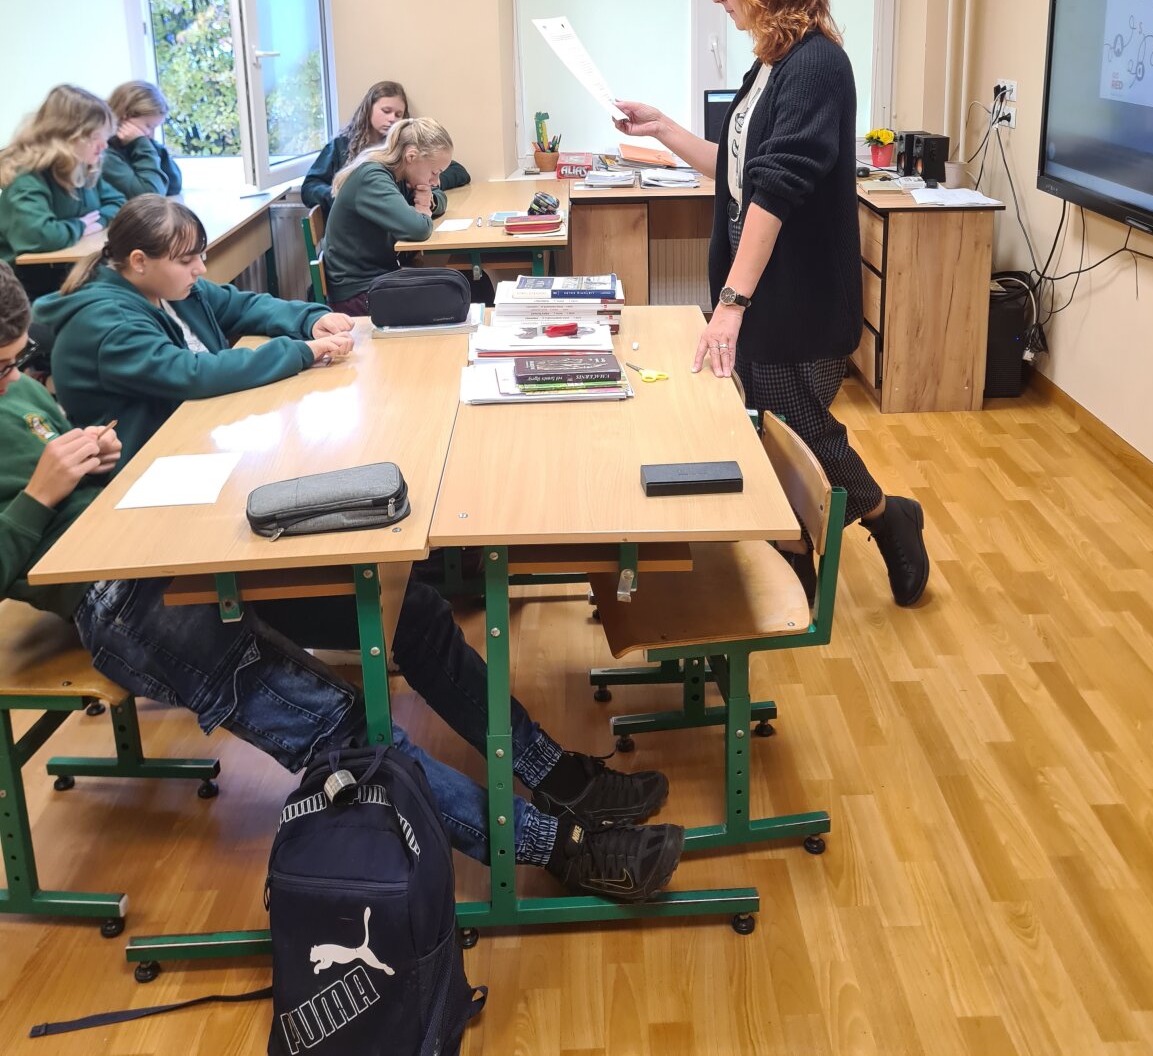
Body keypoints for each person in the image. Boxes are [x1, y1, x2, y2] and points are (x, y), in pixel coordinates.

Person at [0, 258, 684, 902]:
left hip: (163, 544)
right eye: (4, 365)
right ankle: (555, 848)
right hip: (118, 601)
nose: (16, 378)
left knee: (411, 612)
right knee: (343, 728)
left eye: (16, 362)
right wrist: (38, 496)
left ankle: (550, 772)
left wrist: (95, 455)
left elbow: (58, 464)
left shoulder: (18, 390)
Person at [615, 0, 930, 607]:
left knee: (802, 432)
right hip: (759, 295)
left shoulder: (817, 66)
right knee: (768, 426)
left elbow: (777, 190)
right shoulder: (769, 66)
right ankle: (795, 550)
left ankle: (886, 516)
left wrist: (731, 305)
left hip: (798, 299)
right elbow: (740, 172)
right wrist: (664, 129)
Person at [33, 194, 356, 468]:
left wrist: (308, 320)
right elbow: (191, 373)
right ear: (139, 261)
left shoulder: (169, 288)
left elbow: (242, 305)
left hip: (194, 429)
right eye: (186, 260)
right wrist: (300, 351)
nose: (200, 269)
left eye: (200, 256)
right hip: (145, 462)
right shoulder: (106, 323)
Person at [0, 85, 124, 296]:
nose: (104, 145)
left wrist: (96, 223)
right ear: (69, 136)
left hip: (72, 273)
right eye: (96, 137)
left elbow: (118, 202)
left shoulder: (82, 167)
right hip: (26, 289)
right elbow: (39, 236)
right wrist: (80, 226)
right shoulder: (25, 176)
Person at [323, 117, 454, 316]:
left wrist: (429, 199)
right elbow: (418, 229)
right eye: (434, 172)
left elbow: (440, 197)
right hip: (358, 294)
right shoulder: (373, 178)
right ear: (411, 156)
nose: (436, 181)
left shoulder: (400, 175)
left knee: (471, 285)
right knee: (456, 293)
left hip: (377, 280)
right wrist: (422, 208)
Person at [301, 80, 470, 216]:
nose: (392, 119)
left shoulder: (402, 149)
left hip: (396, 228)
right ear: (368, 109)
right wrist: (344, 196)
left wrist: (426, 187)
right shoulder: (340, 146)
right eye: (386, 111)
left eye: (398, 114)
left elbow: (457, 171)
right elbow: (309, 187)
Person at [102, 80, 183, 199]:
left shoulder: (135, 144)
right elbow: (150, 195)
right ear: (125, 117)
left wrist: (151, 146)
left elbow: (174, 185)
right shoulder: (103, 152)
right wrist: (142, 144)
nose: (151, 135)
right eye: (149, 126)